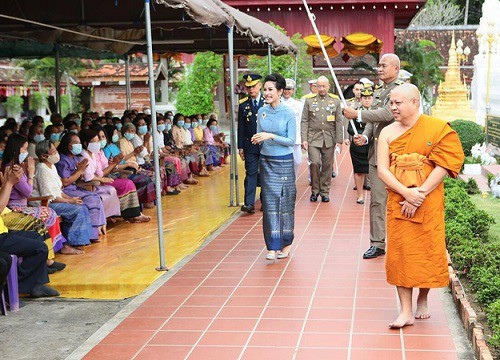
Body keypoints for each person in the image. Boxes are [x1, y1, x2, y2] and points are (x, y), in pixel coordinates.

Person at [377, 84, 464, 328]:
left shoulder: (436, 128)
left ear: (414, 103)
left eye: (398, 103)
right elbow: (382, 169)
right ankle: (405, 311)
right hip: (399, 200)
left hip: (428, 202)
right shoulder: (387, 132)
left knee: (425, 251)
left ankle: (423, 299)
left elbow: (445, 164)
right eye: (391, 103)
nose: (393, 107)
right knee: (401, 254)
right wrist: (406, 192)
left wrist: (420, 194)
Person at [343, 53, 404, 259]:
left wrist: (357, 114)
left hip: (397, 155)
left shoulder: (400, 90)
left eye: (383, 65)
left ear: (396, 68)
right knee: (377, 201)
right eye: (378, 65)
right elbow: (374, 121)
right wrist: (365, 137)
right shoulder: (379, 91)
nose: (379, 68)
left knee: (399, 200)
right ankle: (378, 243)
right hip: (377, 156)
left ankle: (400, 241)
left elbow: (387, 115)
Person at [251, 73, 296, 261]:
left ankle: (285, 243)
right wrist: (257, 138)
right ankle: (271, 246)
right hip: (266, 161)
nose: (267, 93)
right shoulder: (261, 111)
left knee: (285, 203)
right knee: (269, 204)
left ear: (280, 91)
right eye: (266, 89)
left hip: (284, 162)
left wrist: (270, 136)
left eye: (271, 90)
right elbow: (258, 134)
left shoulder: (288, 113)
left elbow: (291, 140)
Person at [0, 164, 59, 298]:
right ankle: (17, 287)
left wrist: (7, 182)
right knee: (40, 248)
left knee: (37, 237)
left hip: (2, 230)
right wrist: (9, 183)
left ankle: (37, 284)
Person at [32, 140, 93, 248]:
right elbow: (50, 197)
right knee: (79, 210)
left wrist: (71, 198)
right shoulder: (42, 168)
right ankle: (74, 242)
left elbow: (58, 191)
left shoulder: (52, 166)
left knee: (82, 205)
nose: (56, 153)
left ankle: (82, 239)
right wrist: (69, 201)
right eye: (53, 151)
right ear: (44, 156)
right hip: (46, 203)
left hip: (56, 200)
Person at [56, 133, 106, 240]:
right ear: (69, 145)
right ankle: (92, 234)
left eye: (79, 143)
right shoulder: (62, 160)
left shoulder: (74, 158)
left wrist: (81, 173)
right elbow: (65, 182)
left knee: (96, 196)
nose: (79, 145)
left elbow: (77, 179)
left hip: (75, 188)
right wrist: (79, 171)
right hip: (65, 192)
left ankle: (98, 228)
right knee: (91, 199)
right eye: (76, 143)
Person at [301, 76, 343, 203]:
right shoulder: (309, 101)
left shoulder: (335, 101)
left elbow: (339, 122)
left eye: (324, 86)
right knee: (314, 163)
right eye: (319, 86)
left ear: (328, 86)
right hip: (313, 138)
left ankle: (325, 191)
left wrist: (339, 140)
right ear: (315, 87)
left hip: (329, 138)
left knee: (327, 165)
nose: (321, 89)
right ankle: (314, 191)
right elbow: (304, 120)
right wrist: (304, 138)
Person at [237, 73, 265, 214]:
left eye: (253, 86)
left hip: (266, 144)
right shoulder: (243, 105)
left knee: (265, 173)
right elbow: (241, 127)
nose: (251, 89)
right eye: (248, 87)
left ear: (259, 85)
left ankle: (265, 201)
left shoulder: (267, 101)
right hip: (250, 145)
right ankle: (249, 203)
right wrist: (240, 146)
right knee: (251, 173)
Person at [348, 88, 372, 204]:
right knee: (359, 171)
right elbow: (350, 127)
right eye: (364, 98)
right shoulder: (355, 111)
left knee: (373, 170)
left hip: (372, 145)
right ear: (361, 99)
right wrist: (357, 135)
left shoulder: (376, 112)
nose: (367, 101)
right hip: (358, 145)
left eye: (369, 98)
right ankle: (360, 195)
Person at [281, 78, 303, 177]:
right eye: (285, 89)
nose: (287, 91)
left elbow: (302, 121)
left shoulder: (298, 104)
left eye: (289, 89)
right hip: (281, 137)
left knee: (297, 161)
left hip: (295, 138)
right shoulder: (277, 102)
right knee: (282, 163)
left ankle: (292, 182)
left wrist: (303, 138)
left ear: (293, 90)